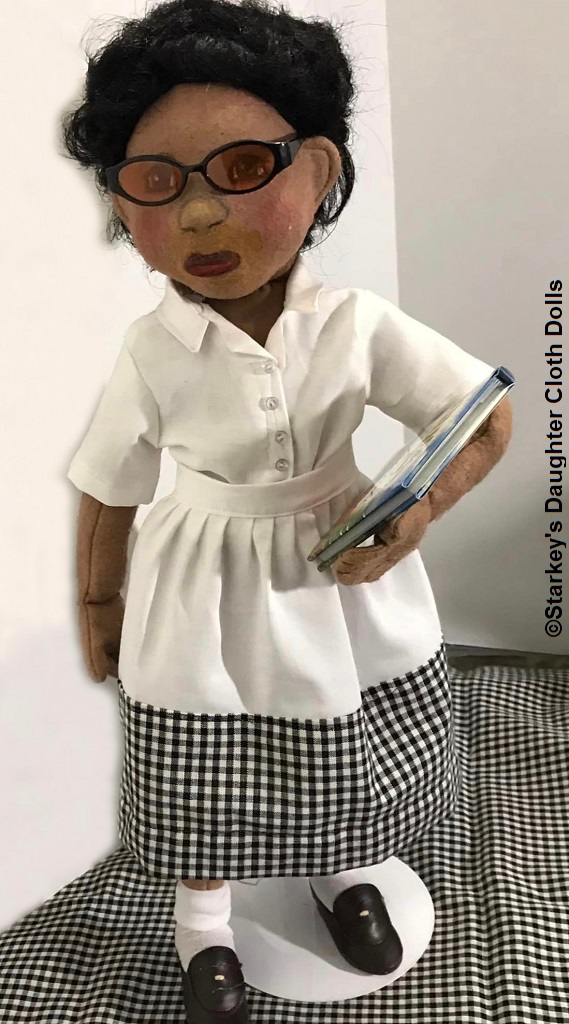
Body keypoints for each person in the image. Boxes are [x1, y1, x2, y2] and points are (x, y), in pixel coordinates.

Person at [60, 1, 513, 1020]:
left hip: (341, 574)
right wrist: (99, 602)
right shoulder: (152, 349)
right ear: (122, 201)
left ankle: (344, 870)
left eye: (239, 168)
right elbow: (111, 482)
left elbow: (481, 415)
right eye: (156, 182)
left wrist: (419, 511)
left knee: (344, 733)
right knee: (200, 761)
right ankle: (203, 924)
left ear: (316, 170)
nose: (199, 216)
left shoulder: (354, 325)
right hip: (202, 588)